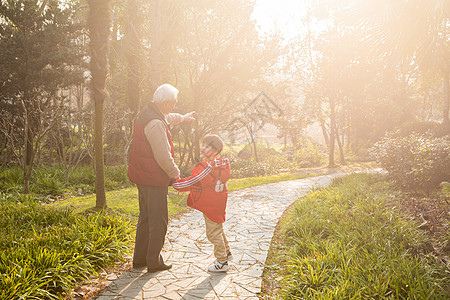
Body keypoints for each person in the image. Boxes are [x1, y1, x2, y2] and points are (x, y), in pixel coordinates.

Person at [127, 83, 194, 273]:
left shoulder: (149, 112)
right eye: (173, 102)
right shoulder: (155, 123)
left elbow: (167, 118)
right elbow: (162, 155)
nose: (174, 105)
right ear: (165, 102)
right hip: (153, 179)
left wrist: (182, 118)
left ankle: (140, 259)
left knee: (146, 218)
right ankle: (154, 262)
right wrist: (176, 175)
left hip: (143, 176)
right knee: (159, 221)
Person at [172, 134, 232, 272]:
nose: (202, 148)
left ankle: (222, 261)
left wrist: (175, 183)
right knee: (218, 228)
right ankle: (227, 253)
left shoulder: (207, 168)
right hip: (219, 202)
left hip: (211, 204)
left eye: (206, 146)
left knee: (213, 233)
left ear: (215, 151)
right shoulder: (221, 165)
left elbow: (193, 181)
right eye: (203, 144)